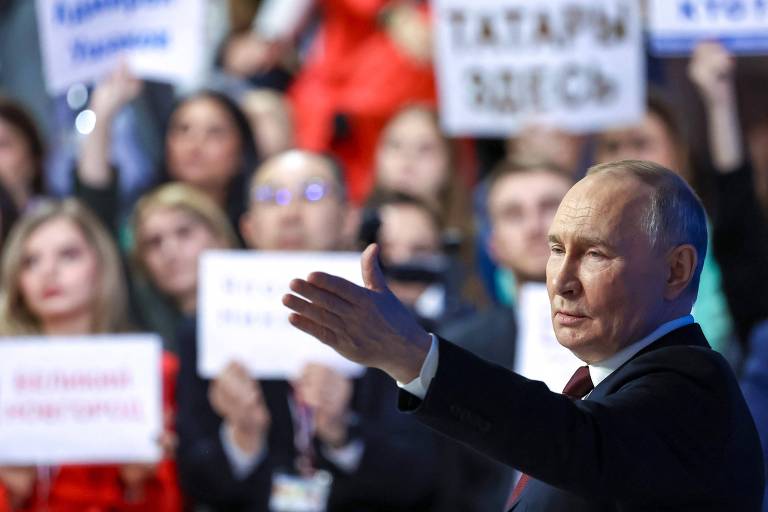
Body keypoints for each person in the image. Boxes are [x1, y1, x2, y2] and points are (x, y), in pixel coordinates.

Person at [284, 159, 765, 511]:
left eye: (595, 253)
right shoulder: (612, 383)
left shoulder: (692, 383)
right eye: (557, 249)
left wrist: (412, 355)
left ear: (676, 270)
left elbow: (571, 440)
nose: (562, 280)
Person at [176, 149, 453, 511]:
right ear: (249, 227)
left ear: (348, 219)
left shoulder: (399, 328)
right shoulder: (205, 332)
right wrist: (241, 438)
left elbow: (422, 477)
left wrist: (343, 435)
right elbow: (194, 479)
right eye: (272, 197)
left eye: (312, 193)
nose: (290, 213)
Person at [0, 199, 181, 511]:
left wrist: (135, 485)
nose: (48, 271)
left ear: (101, 266)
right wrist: (11, 494)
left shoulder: (156, 373)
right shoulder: (5, 377)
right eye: (31, 261)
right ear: (18, 280)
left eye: (68, 255)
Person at [130, 183, 240, 352]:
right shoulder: (138, 337)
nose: (170, 252)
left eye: (184, 233)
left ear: (219, 238)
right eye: (154, 242)